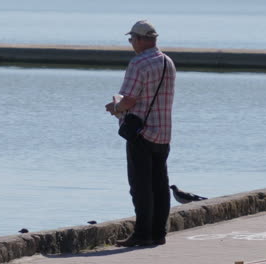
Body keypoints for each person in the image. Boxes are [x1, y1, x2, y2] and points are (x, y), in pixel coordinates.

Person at [105, 20, 176, 247]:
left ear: (140, 39)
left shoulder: (139, 63)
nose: (131, 43)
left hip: (141, 133)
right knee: (160, 184)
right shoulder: (168, 62)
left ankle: (142, 234)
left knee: (140, 186)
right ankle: (158, 234)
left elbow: (129, 100)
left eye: (131, 39)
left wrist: (114, 107)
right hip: (164, 132)